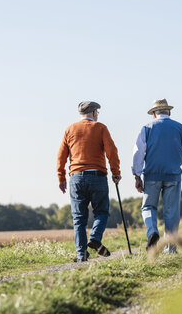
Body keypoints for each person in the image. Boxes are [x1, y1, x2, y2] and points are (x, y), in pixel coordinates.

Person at [132, 99, 182, 253]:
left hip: (152, 175)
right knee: (171, 212)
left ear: (153, 114)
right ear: (169, 112)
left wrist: (137, 175)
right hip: (173, 175)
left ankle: (152, 232)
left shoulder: (147, 128)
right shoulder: (179, 128)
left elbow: (138, 152)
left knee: (148, 206)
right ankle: (170, 249)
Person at [57, 101, 121, 262]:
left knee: (79, 218)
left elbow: (61, 156)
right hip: (97, 176)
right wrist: (116, 173)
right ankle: (95, 237)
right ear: (93, 113)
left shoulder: (70, 129)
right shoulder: (100, 128)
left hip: (76, 177)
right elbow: (111, 151)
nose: (97, 115)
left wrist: (61, 177)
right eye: (97, 113)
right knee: (102, 211)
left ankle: (81, 255)